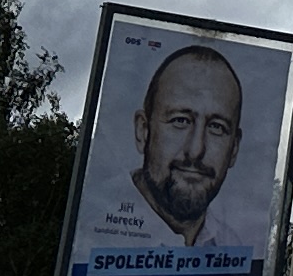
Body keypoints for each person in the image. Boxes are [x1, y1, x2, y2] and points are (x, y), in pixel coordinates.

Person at [105, 42, 244, 250]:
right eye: (180, 121)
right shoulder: (94, 229)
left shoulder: (232, 247)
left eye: (216, 127)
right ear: (143, 130)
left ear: (234, 149)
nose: (196, 150)